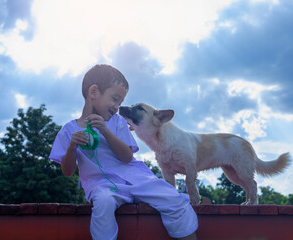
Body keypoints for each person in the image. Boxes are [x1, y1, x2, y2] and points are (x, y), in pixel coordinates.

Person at [49, 64, 198, 240]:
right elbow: (68, 171)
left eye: (120, 102)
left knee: (172, 197)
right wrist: (72, 147)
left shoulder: (117, 123)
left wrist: (105, 131)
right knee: (103, 203)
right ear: (94, 92)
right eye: (114, 99)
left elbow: (127, 157)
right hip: (102, 186)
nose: (117, 106)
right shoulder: (69, 131)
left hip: (137, 180)